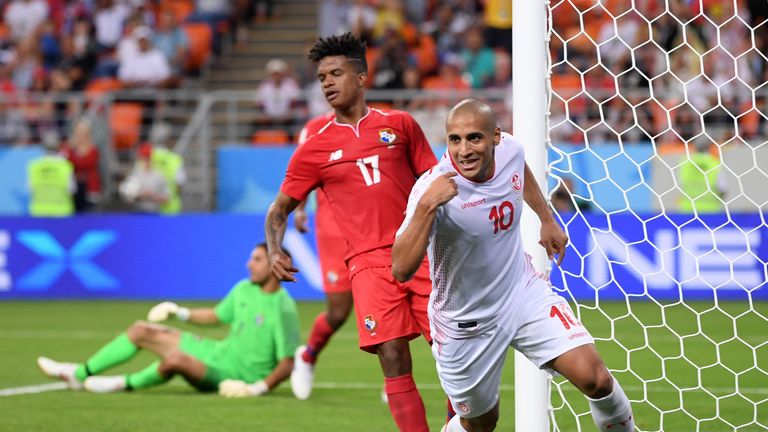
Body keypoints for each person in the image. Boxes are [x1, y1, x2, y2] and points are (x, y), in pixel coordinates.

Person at [392, 99, 635, 432]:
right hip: (465, 323)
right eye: (455, 140)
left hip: (521, 292)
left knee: (597, 379)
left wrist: (546, 219)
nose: (464, 150)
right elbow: (400, 269)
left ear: (496, 137)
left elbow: (519, 169)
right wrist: (426, 207)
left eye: (474, 138)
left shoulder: (510, 151)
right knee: (480, 424)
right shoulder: (432, 190)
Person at [265, 33, 438, 431]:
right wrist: (276, 248)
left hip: (420, 253)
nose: (326, 82)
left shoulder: (400, 125)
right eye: (321, 76)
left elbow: (433, 182)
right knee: (392, 356)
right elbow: (279, 210)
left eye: (335, 73)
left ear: (361, 77)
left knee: (453, 352)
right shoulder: (314, 148)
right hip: (368, 264)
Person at [37, 243, 300, 397]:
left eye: (256, 259)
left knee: (175, 360)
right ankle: (77, 374)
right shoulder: (244, 288)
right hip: (218, 353)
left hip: (232, 376)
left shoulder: (283, 307)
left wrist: (255, 389)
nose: (248, 264)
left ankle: (123, 384)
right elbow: (217, 316)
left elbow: (288, 362)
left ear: (277, 263)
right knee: (141, 330)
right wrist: (179, 312)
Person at [289, 111, 354, 401]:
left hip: (377, 229)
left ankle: (396, 379)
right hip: (334, 231)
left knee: (388, 307)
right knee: (339, 311)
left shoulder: (382, 124)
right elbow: (301, 169)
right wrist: (300, 208)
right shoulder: (315, 128)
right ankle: (309, 355)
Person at [27, 131, 75, 217]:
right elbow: (71, 190)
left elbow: (30, 189)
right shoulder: (65, 166)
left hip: (39, 212)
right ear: (58, 146)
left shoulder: (34, 166)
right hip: (61, 212)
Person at [119, 143, 169, 213]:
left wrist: (152, 196)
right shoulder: (135, 174)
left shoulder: (159, 175)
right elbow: (126, 196)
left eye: (147, 158)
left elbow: (166, 199)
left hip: (153, 212)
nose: (145, 161)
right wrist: (139, 196)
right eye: (143, 157)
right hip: (137, 212)